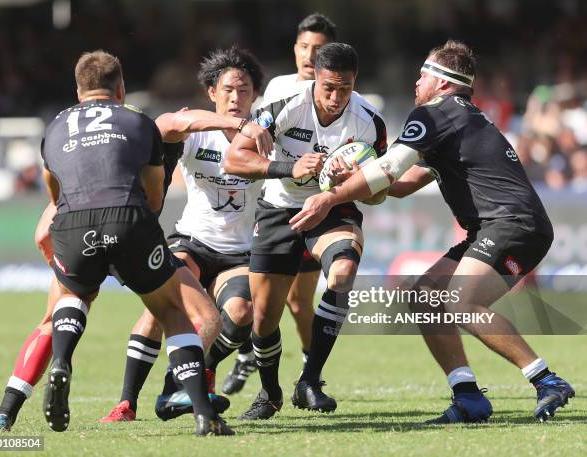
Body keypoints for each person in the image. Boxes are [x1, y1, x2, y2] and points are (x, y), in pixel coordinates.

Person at [289, 40, 575, 423]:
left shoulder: (435, 114)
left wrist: (330, 197)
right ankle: (468, 397)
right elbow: (402, 184)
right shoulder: (460, 118)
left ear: (442, 83)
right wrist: (358, 177)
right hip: (501, 226)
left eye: (424, 74)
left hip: (512, 225)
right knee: (425, 296)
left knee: (461, 302)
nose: (417, 81)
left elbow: (388, 171)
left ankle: (546, 380)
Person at [42, 50, 233, 436]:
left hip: (71, 224)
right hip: (129, 221)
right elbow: (155, 195)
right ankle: (202, 414)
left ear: (79, 90)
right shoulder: (137, 121)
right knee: (173, 310)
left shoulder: (55, 126)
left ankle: (61, 360)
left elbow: (54, 190)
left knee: (72, 296)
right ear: (122, 88)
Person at [101, 46, 274, 423]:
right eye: (227, 89)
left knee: (242, 314)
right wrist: (233, 124)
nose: (235, 97)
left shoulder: (267, 133)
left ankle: (187, 377)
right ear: (212, 93)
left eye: (244, 90)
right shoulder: (200, 132)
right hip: (191, 243)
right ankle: (126, 402)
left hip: (239, 254)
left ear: (255, 95)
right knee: (157, 310)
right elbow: (164, 125)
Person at [224, 42, 387, 419]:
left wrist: (358, 182)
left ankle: (309, 381)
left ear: (354, 81)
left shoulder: (369, 122)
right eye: (328, 87)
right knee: (263, 317)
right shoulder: (286, 106)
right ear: (315, 76)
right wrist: (287, 169)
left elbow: (380, 194)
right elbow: (235, 157)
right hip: (280, 208)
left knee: (343, 272)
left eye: (344, 88)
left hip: (333, 208)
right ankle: (270, 393)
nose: (335, 97)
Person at [223, 12, 337, 396]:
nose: (309, 55)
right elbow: (252, 141)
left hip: (312, 211)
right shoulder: (277, 89)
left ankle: (310, 373)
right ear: (294, 49)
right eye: (304, 47)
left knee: (299, 303)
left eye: (318, 49)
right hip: (269, 205)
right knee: (259, 301)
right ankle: (248, 357)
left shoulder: (340, 96)